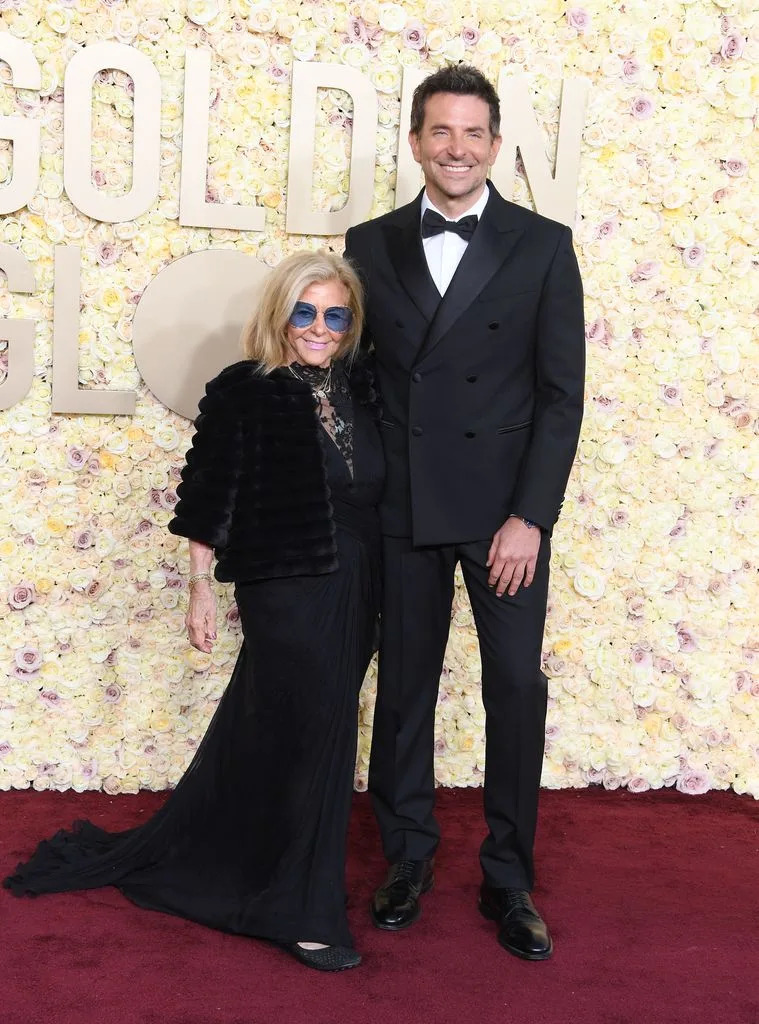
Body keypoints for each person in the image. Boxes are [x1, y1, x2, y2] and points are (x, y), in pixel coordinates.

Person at [4, 251, 383, 973]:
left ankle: (244, 866)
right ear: (278, 313)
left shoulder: (365, 387)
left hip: (360, 585)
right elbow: (210, 498)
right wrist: (201, 588)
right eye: (304, 312)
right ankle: (301, 909)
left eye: (335, 315)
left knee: (299, 734)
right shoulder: (244, 390)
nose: (319, 328)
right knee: (315, 737)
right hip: (286, 584)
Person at [344, 65, 585, 961]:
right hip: (403, 502)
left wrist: (530, 518)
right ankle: (406, 858)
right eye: (440, 132)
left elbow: (561, 397)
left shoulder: (542, 245)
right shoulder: (365, 242)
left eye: (473, 133)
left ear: (495, 144)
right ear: (415, 142)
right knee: (404, 691)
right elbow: (358, 381)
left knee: (513, 690)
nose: (457, 148)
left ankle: (507, 876)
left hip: (503, 517)